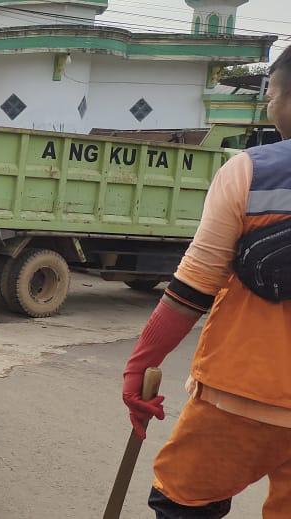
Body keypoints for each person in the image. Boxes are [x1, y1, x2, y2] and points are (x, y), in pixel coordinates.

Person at [120, 47, 291, 517]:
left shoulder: (251, 172)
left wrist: (140, 365)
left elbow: (192, 288)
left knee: (184, 502)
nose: (270, 108)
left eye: (271, 96)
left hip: (245, 397)